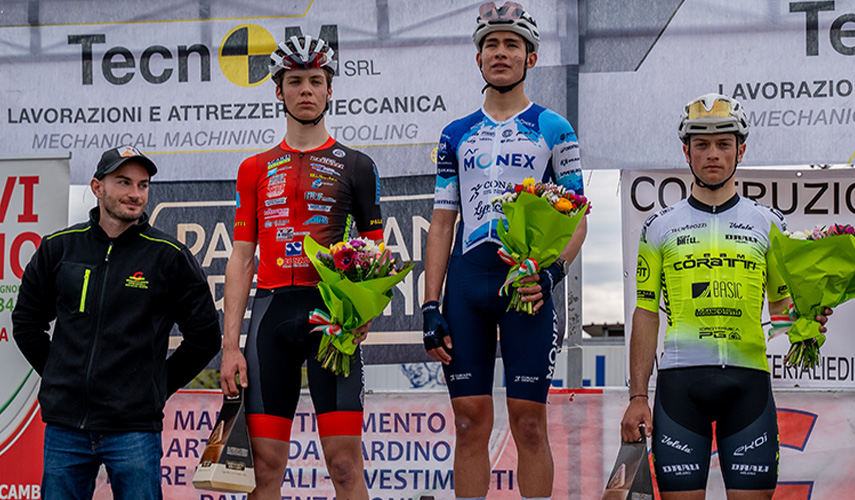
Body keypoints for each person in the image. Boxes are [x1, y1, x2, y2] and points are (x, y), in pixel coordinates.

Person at [619, 93, 830, 499]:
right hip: (681, 386)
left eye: (723, 144)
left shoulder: (769, 223)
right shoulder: (659, 226)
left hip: (748, 385)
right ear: (686, 152)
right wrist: (638, 396)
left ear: (741, 150)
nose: (712, 154)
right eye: (701, 144)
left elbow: (779, 309)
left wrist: (806, 320)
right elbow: (646, 313)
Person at [422, 2, 587, 498]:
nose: (500, 52)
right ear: (478, 58)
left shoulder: (555, 128)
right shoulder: (455, 134)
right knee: (469, 422)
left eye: (511, 44)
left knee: (529, 423)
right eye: (490, 45)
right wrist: (430, 304)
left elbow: (578, 217)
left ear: (530, 58)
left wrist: (552, 275)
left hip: (527, 287)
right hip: (467, 285)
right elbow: (443, 221)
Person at [219, 34, 383, 500]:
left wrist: (363, 313)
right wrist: (229, 347)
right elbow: (242, 258)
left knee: (345, 466)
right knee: (265, 467)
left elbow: (375, 251)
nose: (305, 90)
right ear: (279, 91)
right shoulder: (254, 168)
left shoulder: (357, 165)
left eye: (315, 81)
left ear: (330, 90)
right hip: (271, 314)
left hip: (332, 317)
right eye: (295, 82)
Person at [12, 146, 221, 499]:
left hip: (133, 429)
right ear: (97, 187)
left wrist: (155, 387)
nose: (135, 194)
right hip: (66, 428)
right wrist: (60, 375)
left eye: (143, 185)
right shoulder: (58, 247)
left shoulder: (169, 256)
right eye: (124, 182)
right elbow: (26, 322)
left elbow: (205, 337)